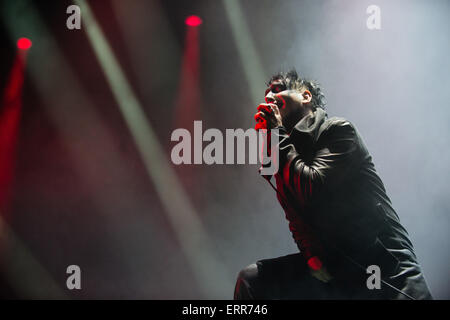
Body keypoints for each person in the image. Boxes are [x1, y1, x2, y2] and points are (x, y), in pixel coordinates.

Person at [234, 69, 432, 299]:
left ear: (306, 96)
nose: (268, 98)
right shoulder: (284, 154)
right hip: (336, 271)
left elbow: (312, 189)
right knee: (253, 282)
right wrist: (313, 261)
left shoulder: (337, 131)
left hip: (383, 268)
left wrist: (277, 134)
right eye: (266, 94)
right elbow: (296, 218)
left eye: (277, 90)